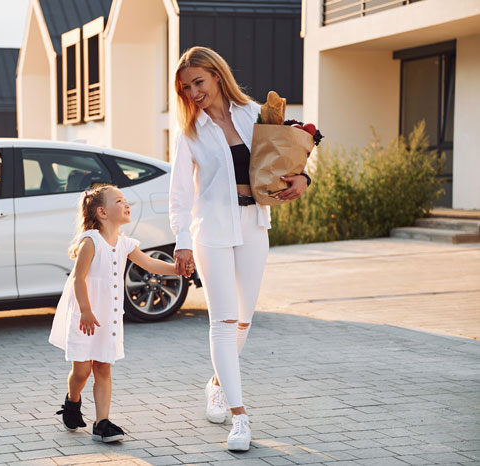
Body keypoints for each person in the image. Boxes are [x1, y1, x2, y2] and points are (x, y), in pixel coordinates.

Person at [169, 46, 310, 451]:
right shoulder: (189, 132)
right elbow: (179, 195)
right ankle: (239, 416)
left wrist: (303, 180)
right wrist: (182, 244)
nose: (194, 92)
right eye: (185, 87)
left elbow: (287, 156)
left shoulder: (253, 114)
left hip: (253, 224)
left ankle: (215, 383)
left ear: (217, 75)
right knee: (223, 321)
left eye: (199, 82)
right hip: (210, 229)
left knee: (245, 319)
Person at [50, 184, 186, 443]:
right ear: (102, 212)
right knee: (82, 372)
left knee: (103, 368)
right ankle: (72, 401)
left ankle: (102, 423)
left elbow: (150, 264)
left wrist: (177, 269)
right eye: (120, 201)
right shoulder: (91, 241)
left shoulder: (125, 243)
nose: (127, 205)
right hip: (86, 315)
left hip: (108, 317)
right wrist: (86, 311)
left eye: (126, 201)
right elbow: (78, 279)